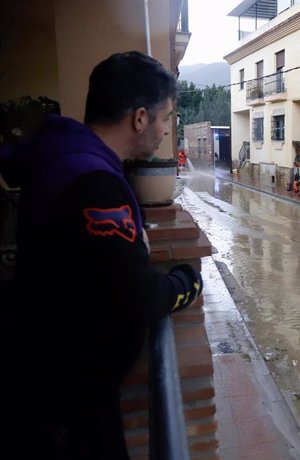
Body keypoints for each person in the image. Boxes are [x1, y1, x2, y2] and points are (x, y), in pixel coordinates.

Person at [1, 51, 203, 458]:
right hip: (68, 405)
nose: (166, 131)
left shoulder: (65, 157)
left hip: (49, 381)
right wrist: (187, 282)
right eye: (165, 118)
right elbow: (140, 297)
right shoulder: (93, 182)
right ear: (140, 118)